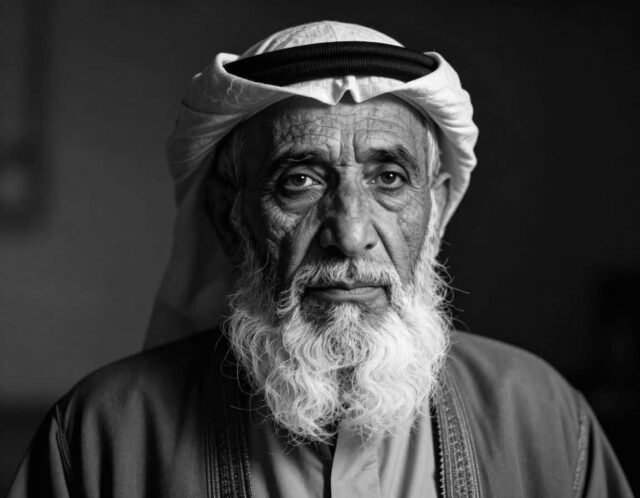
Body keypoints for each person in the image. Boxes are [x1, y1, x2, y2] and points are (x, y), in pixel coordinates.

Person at [8, 21, 632, 498]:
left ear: (436, 208)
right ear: (231, 213)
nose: (350, 234)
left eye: (389, 178)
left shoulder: (542, 416)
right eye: (300, 180)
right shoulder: (103, 433)